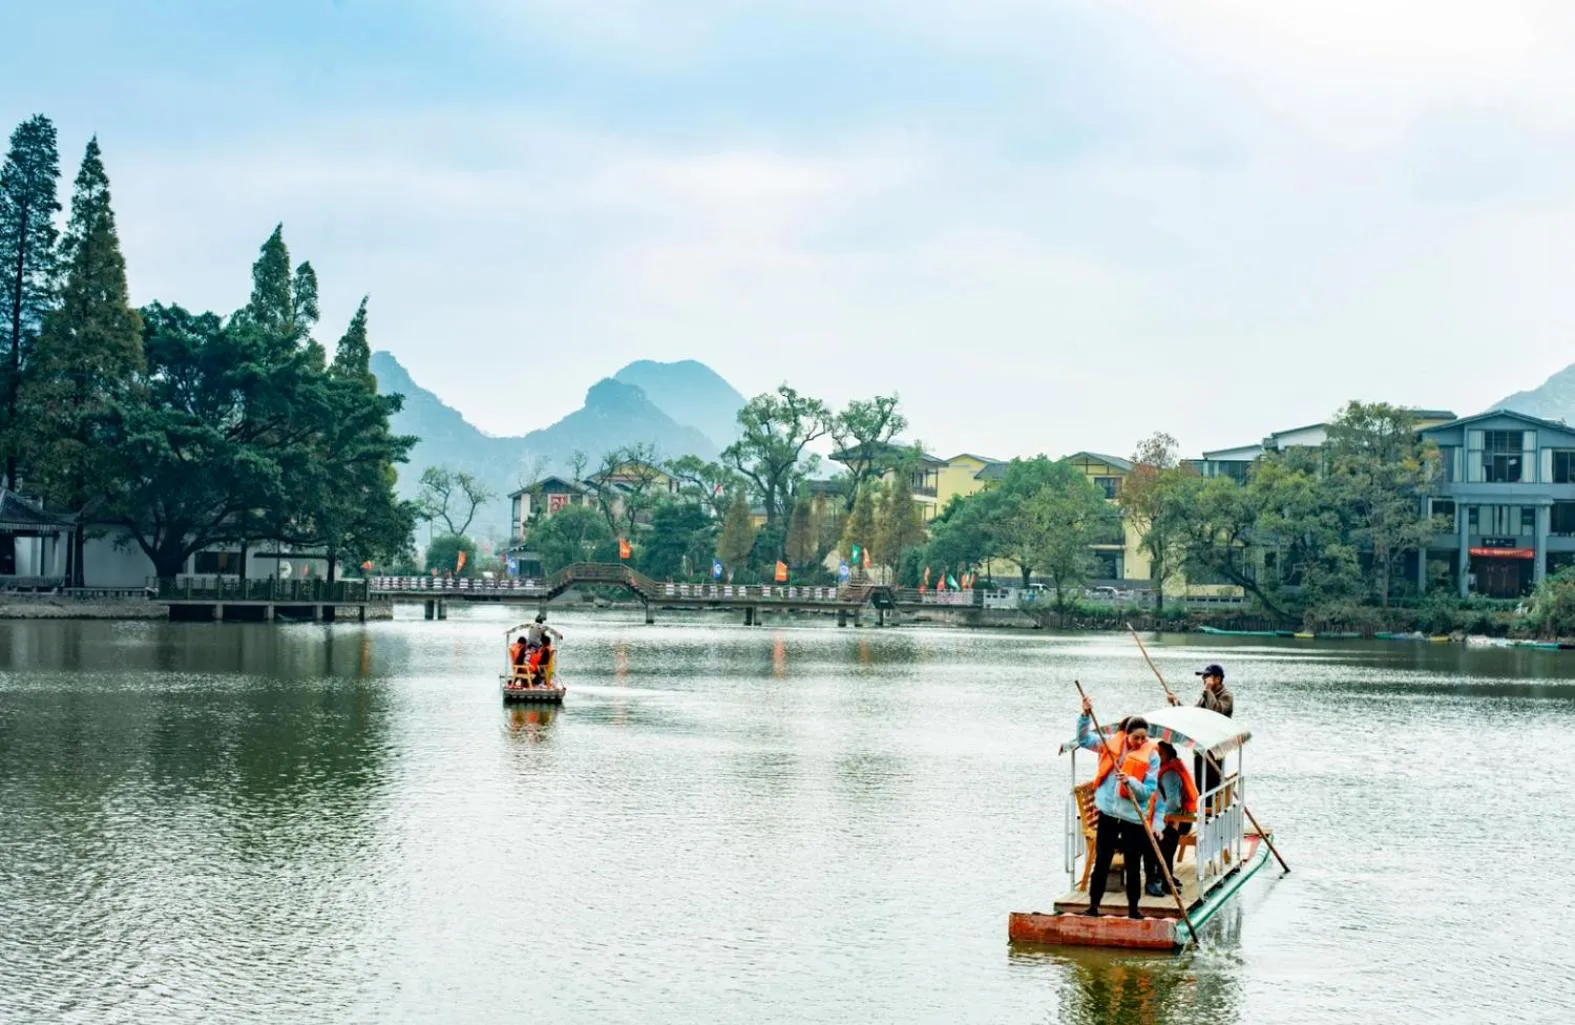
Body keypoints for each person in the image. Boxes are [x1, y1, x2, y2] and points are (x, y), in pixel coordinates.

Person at [1076, 698, 1159, 920]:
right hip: (1109, 814)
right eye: (1135, 737)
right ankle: (1093, 907)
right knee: (1102, 861)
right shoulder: (1110, 745)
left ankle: (1133, 910)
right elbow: (1083, 739)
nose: (1139, 742)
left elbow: (1148, 791)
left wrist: (1130, 781)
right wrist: (1085, 715)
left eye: (1143, 738)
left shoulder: (1152, 756)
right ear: (1127, 735)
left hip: (1133, 817)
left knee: (1133, 864)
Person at [1143, 741, 1199, 897]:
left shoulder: (1169, 774)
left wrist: (1161, 817)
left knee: (1166, 838)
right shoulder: (1160, 770)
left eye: (1160, 754)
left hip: (1172, 819)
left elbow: (1172, 803)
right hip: (1149, 818)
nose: (1156, 757)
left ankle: (1162, 877)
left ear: (1168, 756)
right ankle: (1161, 877)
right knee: (1163, 839)